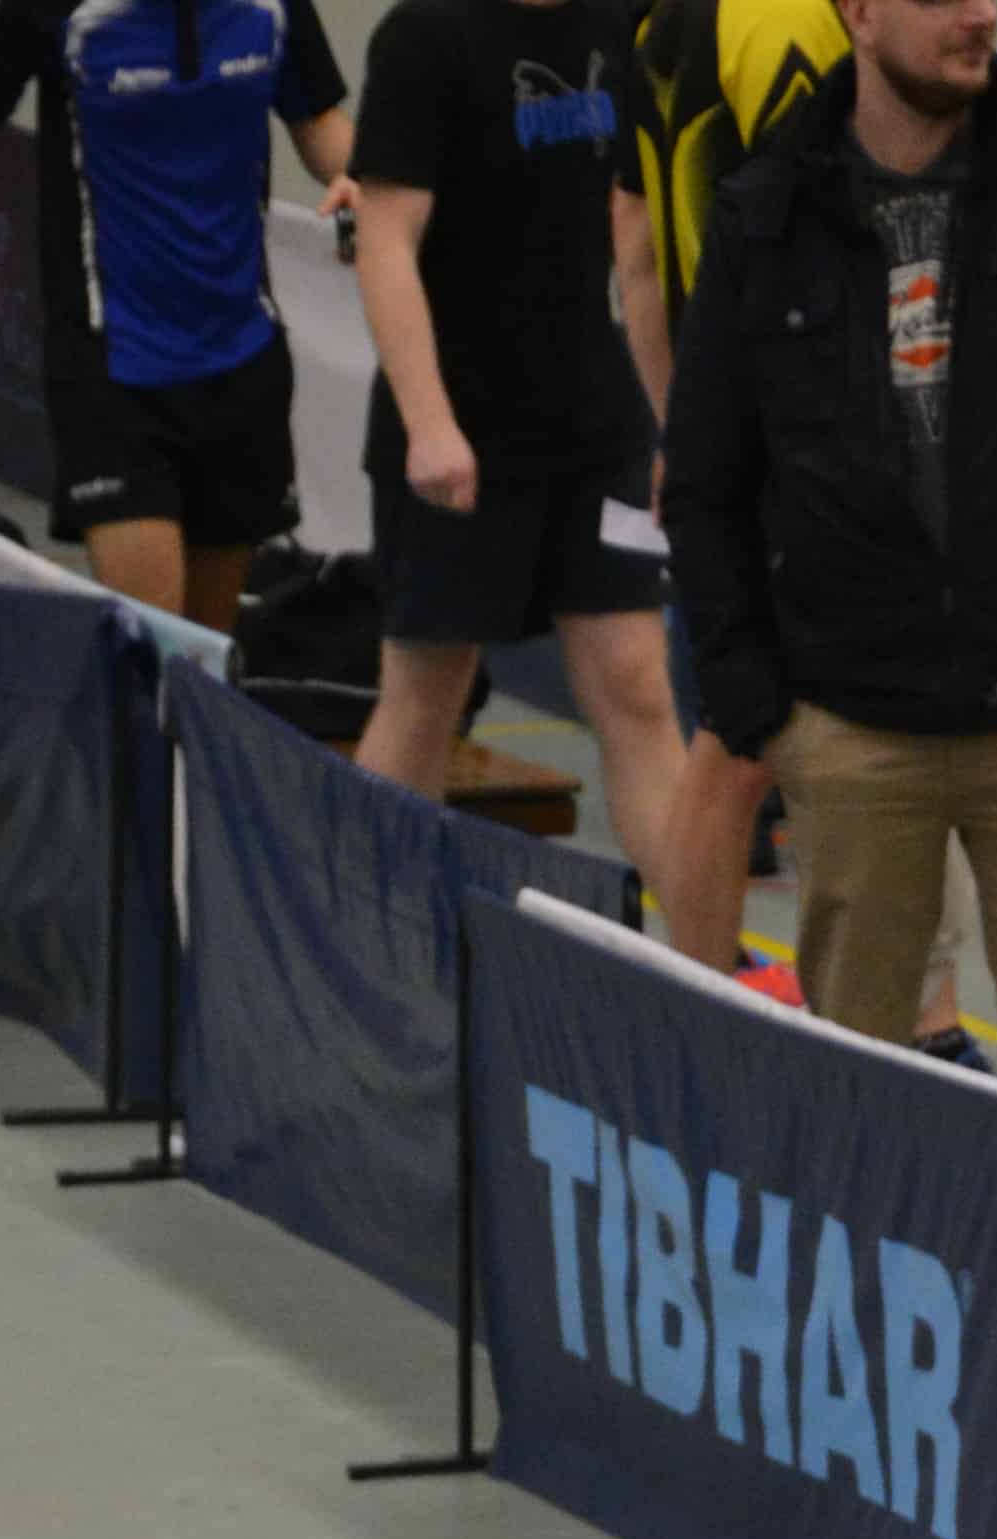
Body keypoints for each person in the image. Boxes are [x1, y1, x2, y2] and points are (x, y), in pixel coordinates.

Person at [661, 0, 997, 1087]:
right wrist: (763, 709)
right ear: (859, 13)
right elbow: (707, 482)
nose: (981, 12)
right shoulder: (765, 214)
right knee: (860, 1087)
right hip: (852, 734)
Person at [610, 0, 960, 1044]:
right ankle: (922, 1028)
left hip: (735, 435)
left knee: (736, 741)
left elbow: (637, 250)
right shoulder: (804, 31)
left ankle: (697, 1017)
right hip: (820, 449)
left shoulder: (659, 26)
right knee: (873, 729)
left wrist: (685, 429)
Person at [0, 0, 356, 640]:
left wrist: (363, 179)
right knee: (153, 636)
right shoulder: (61, 10)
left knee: (208, 649)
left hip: (241, 357)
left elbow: (317, 118)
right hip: (113, 364)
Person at [346, 0, 689, 897]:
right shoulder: (426, 37)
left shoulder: (622, 25)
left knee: (638, 688)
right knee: (429, 691)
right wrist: (430, 424)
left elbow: (640, 231)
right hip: (460, 425)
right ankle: (369, 931)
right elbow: (384, 240)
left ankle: (705, 954)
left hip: (594, 425)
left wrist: (673, 422)